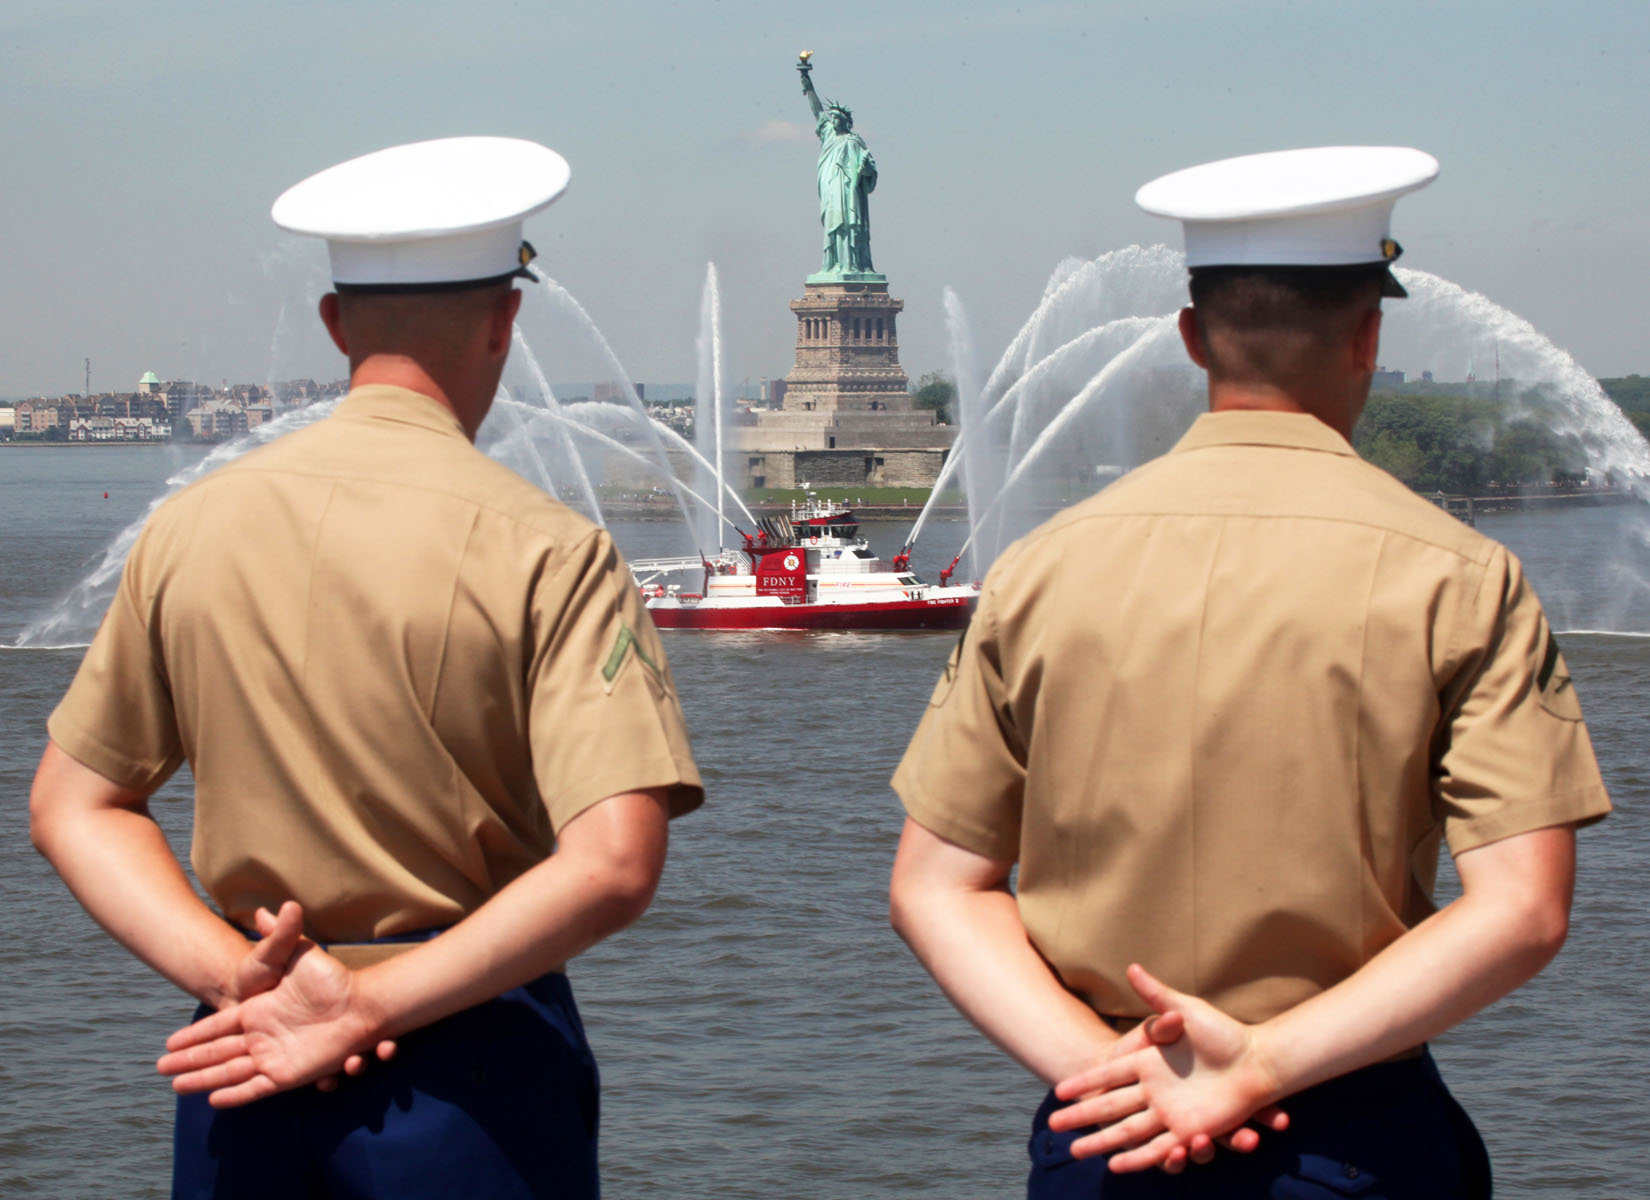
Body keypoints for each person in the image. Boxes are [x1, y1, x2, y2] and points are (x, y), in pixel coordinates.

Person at [888, 146, 1611, 1197]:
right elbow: (1524, 910)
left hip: (1111, 1129)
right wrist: (1260, 1065)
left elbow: (933, 887)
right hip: (1349, 1126)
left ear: (1190, 336)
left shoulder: (1037, 572)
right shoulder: (1463, 576)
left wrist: (1113, 1073)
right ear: (1369, 336)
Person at [29, 136, 703, 1199]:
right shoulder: (549, 548)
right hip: (467, 1062)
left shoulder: (187, 529)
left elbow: (74, 807)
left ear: (337, 325)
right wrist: (370, 1004)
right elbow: (615, 862)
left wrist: (233, 975)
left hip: (243, 1050)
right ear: (505, 322)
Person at [798, 57, 878, 276]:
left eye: (836, 117)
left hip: (849, 191)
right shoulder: (829, 135)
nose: (832, 120)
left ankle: (853, 264)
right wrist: (806, 79)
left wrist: (865, 171)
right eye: (831, 117)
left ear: (845, 120)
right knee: (834, 225)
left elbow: (871, 172)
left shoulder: (855, 142)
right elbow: (816, 111)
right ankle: (832, 264)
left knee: (851, 224)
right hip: (831, 187)